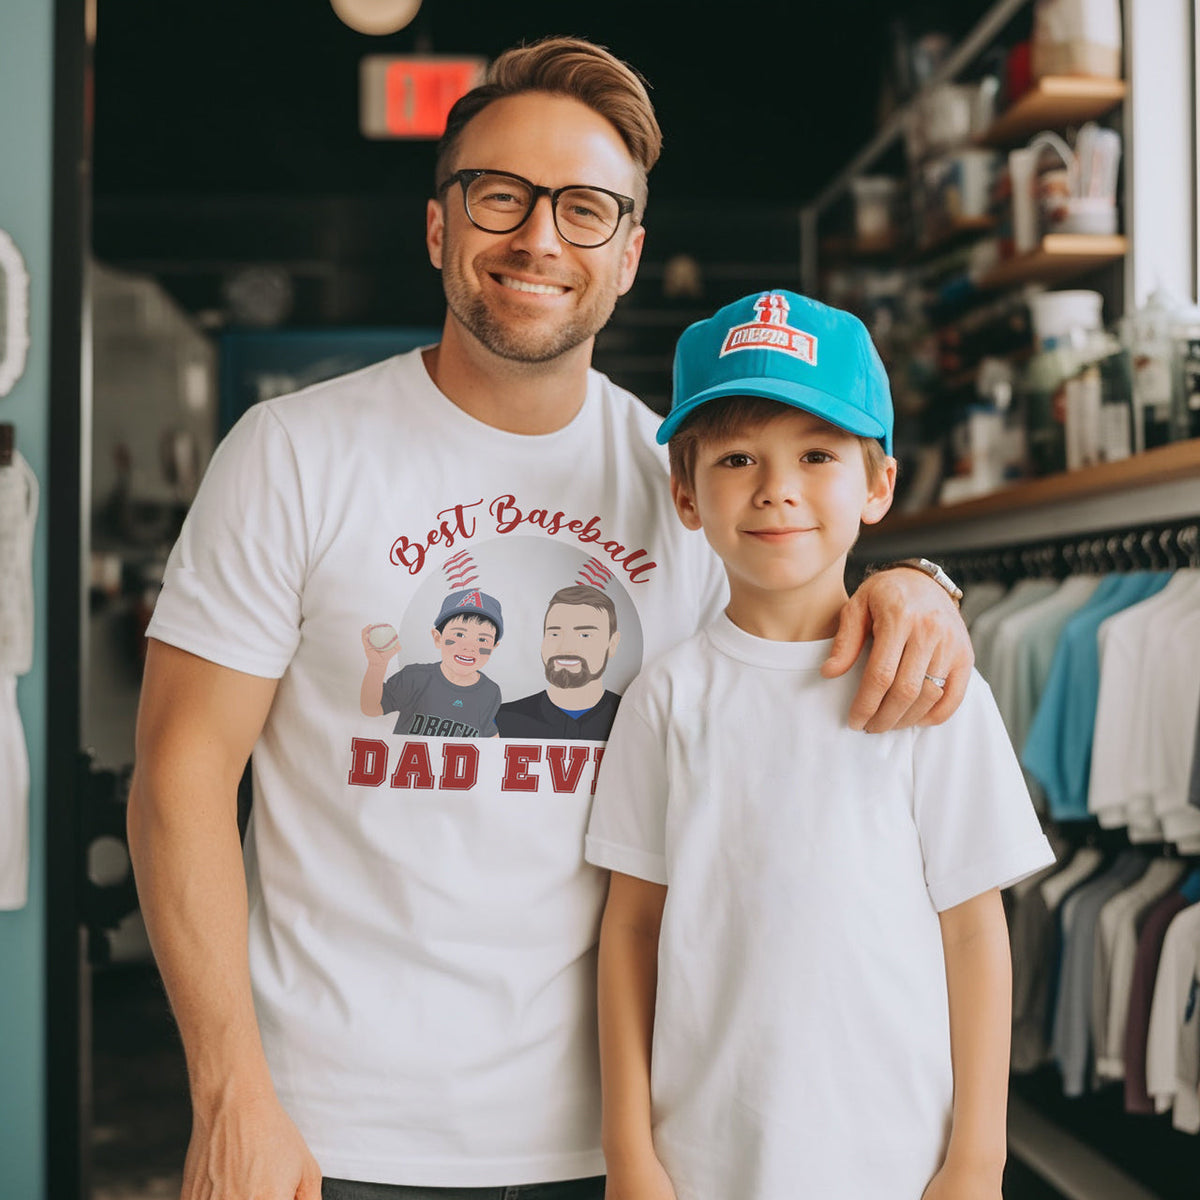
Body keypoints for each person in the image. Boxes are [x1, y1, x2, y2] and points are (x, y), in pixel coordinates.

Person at [126, 37, 973, 1200]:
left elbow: (800, 614)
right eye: (500, 197)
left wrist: (920, 583)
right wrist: (229, 1095)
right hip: (329, 1133)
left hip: (622, 1141)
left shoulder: (687, 481)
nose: (537, 239)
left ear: (628, 255)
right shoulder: (293, 455)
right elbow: (179, 775)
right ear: (439, 227)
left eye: (584, 210)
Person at [587, 289, 1056, 1200]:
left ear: (877, 483)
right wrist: (629, 1153)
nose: (777, 487)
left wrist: (979, 1159)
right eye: (735, 457)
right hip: (701, 1161)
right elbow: (632, 928)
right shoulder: (668, 697)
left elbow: (974, 933)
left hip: (897, 1162)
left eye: (816, 453)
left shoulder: (932, 689)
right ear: (686, 493)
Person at [360, 588, 504, 738]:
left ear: (493, 647)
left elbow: (490, 738)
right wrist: (377, 665)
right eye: (459, 634)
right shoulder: (415, 677)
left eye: (482, 639)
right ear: (437, 638)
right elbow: (371, 708)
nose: (469, 647)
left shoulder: (490, 691)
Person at [496, 584, 622, 739]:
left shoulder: (632, 718)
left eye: (584, 635)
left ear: (612, 644)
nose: (566, 647)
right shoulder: (502, 720)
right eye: (555, 634)